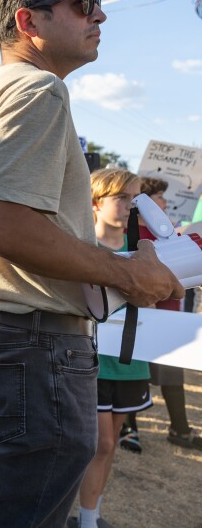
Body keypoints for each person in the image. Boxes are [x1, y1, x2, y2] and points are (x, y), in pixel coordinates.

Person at [0, 0, 182, 527]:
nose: (98, 15)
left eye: (95, 2)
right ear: (29, 22)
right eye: (82, 3)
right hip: (36, 343)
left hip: (15, 339)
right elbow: (1, 225)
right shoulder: (39, 92)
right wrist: (127, 273)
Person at [69, 168, 152, 528]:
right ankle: (86, 521)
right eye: (121, 197)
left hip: (133, 359)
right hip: (92, 360)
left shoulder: (144, 249)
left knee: (111, 443)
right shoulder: (84, 249)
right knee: (99, 444)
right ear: (96, 202)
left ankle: (92, 516)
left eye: (134, 198)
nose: (128, 206)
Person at [120, 177, 202, 453]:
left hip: (169, 317)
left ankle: (180, 429)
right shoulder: (129, 234)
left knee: (171, 376)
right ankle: (129, 427)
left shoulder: (169, 235)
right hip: (141, 317)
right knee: (135, 372)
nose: (165, 204)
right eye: (159, 198)